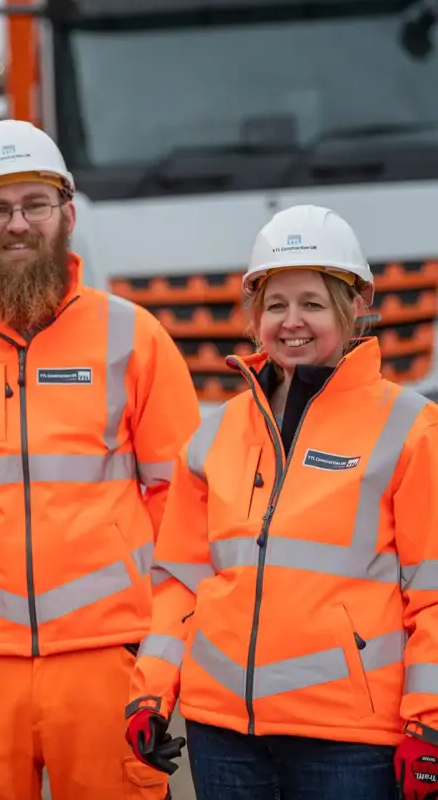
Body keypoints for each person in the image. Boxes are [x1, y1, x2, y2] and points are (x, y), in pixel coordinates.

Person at [0, 118, 201, 800]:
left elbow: (184, 500)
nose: (16, 225)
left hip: (110, 658)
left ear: (67, 214)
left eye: (35, 205)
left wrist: (152, 638)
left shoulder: (133, 337)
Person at [125, 204, 438, 800]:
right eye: (276, 305)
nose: (292, 322)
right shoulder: (214, 436)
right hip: (224, 737)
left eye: (313, 304)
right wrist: (151, 690)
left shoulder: (412, 429)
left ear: (351, 312)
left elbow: (435, 594)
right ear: (255, 318)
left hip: (349, 742)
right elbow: (182, 585)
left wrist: (429, 724)